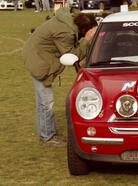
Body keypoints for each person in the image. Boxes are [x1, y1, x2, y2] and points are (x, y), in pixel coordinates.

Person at [22, 7, 97, 145]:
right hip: (39, 62)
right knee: (46, 102)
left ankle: (45, 133)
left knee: (42, 102)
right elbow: (71, 56)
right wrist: (86, 41)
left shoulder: (68, 22)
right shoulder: (65, 32)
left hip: (37, 55)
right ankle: (48, 137)